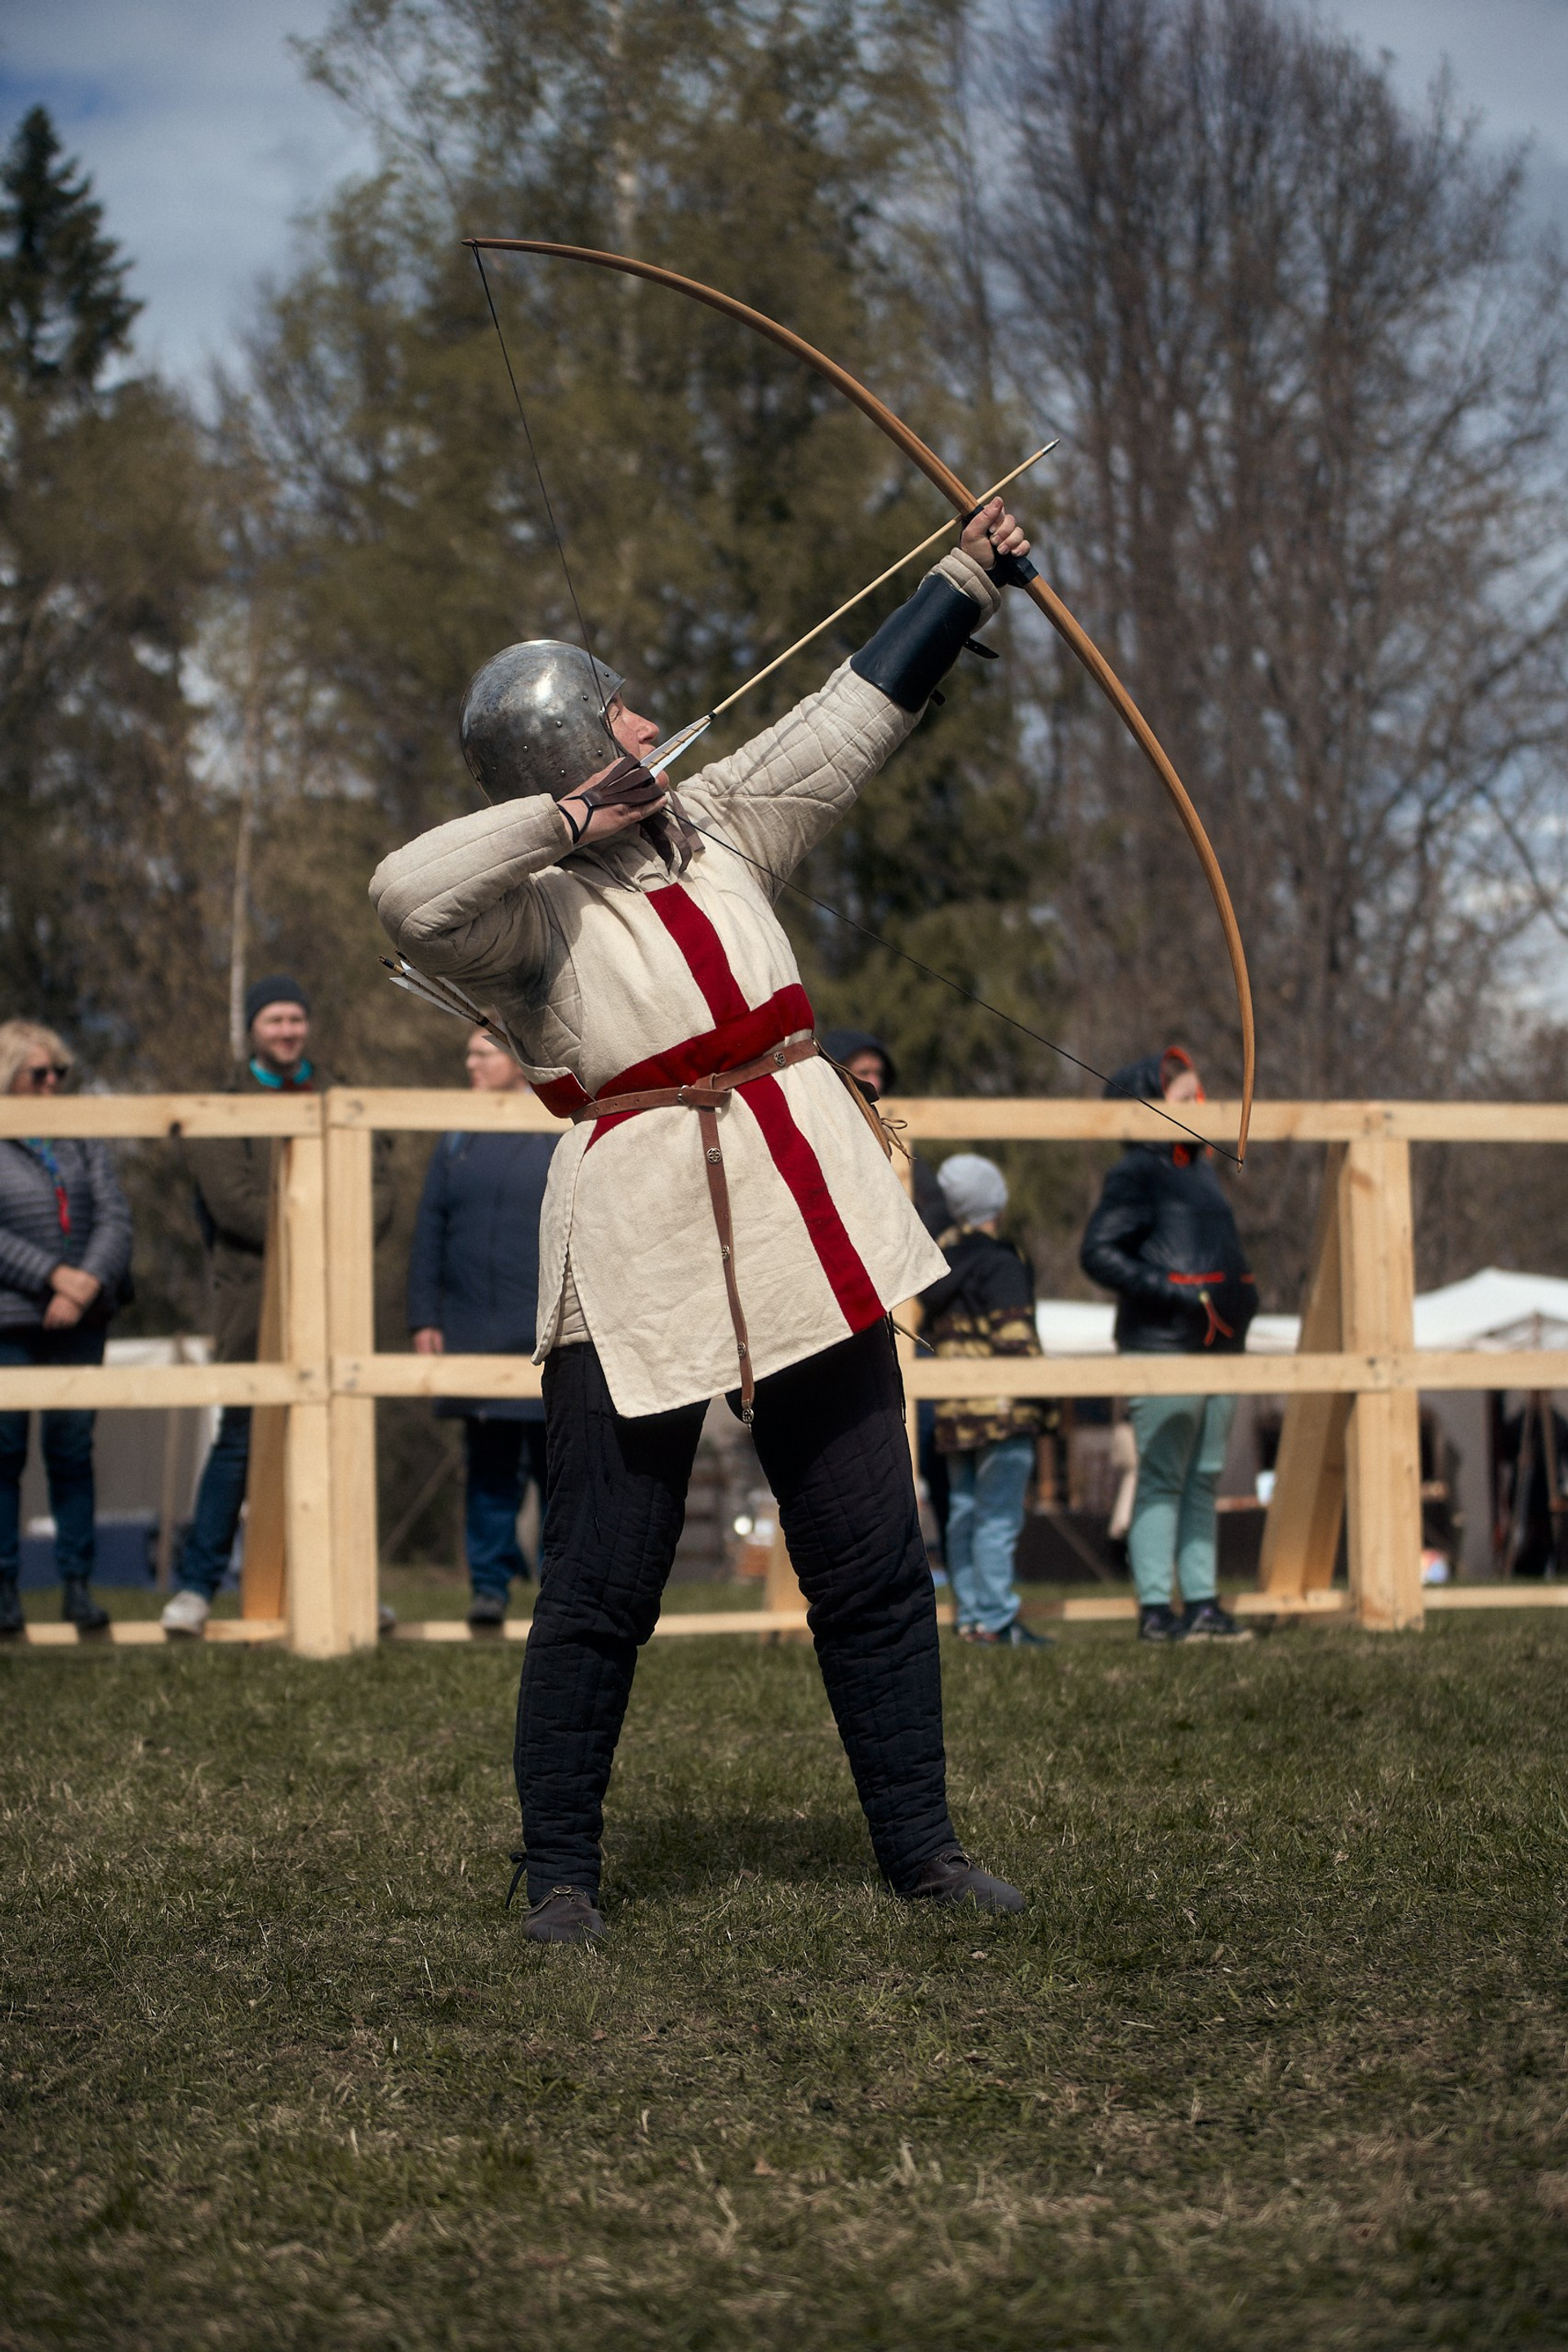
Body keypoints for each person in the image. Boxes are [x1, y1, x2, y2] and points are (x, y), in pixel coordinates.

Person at [372, 497, 1036, 1943]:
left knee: (870, 1555)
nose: (651, 724)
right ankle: (561, 1874)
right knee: (602, 1577)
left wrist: (968, 576)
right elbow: (405, 896)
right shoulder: (529, 918)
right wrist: (569, 824)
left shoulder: (725, 821)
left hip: (803, 1211)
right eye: (621, 716)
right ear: (574, 753)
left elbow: (849, 717)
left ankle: (923, 1853)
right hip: (638, 1239)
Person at [161, 978, 393, 1636]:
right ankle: (196, 1589)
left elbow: (378, 1188)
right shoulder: (226, 1103)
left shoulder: (340, 1095)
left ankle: (354, 1588)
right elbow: (233, 1203)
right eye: (275, 1019)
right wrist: (315, 1227)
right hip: (252, 1297)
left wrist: (336, 1233)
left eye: (296, 1018)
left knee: (342, 1434)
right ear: (254, 1029)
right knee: (240, 1437)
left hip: (334, 1291)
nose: (288, 1030)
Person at [1080, 1047, 1256, 1642]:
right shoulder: (1137, 1171)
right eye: (1186, 1098)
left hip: (1220, 1344)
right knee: (1161, 1475)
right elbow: (1097, 1252)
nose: (1201, 1106)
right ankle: (1156, 1609)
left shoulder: (1201, 1170)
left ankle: (1202, 1604)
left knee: (1204, 1475)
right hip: (1162, 1343)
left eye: (1201, 1096)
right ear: (1150, 1104)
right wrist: (1174, 1292)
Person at [408, 1027, 556, 1627]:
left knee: (557, 1468)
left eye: (483, 1052)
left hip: (546, 1327)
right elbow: (430, 1229)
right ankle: (489, 1589)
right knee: (490, 1470)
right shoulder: (457, 1134)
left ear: (517, 1060)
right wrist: (425, 1316)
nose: (470, 1062)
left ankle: (559, 1588)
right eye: (467, 1052)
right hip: (473, 1326)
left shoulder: (556, 1124)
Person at [0, 1021, 132, 1635]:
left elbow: (114, 1218)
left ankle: (78, 1585)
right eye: (39, 1073)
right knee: (4, 1452)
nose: (52, 1083)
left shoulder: (80, 1137)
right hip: (11, 1321)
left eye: (59, 1073)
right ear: (9, 1077)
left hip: (81, 1318)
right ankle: (4, 1590)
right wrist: (52, 1275)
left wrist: (84, 1286)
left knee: (72, 1449)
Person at [921, 1153, 1054, 1648]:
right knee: (998, 1516)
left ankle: (972, 1617)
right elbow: (1016, 1340)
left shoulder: (939, 1263)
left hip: (956, 1411)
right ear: (996, 1201)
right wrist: (1040, 1404)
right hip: (1002, 1410)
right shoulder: (1003, 1262)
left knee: (962, 1513)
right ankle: (998, 1620)